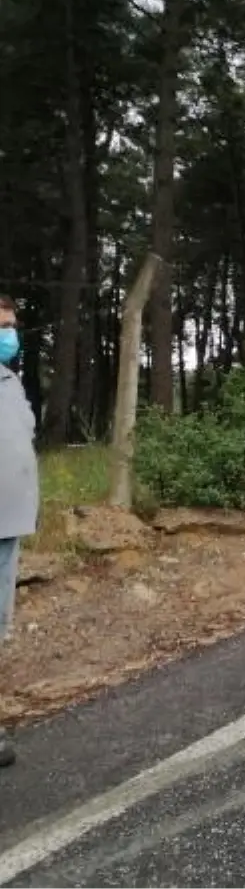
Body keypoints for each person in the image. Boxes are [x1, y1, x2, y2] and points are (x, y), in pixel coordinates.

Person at [0, 294, 36, 768]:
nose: (9, 334)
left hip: (10, 525)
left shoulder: (10, 380)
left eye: (10, 324)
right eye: (0, 325)